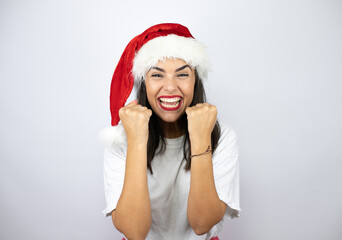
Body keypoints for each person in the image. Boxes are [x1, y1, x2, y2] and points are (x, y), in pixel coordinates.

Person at [100, 23, 240, 240]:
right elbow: (134, 232)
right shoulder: (122, 138)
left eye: (182, 75)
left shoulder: (222, 136)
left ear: (196, 81)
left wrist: (201, 137)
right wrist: (137, 140)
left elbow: (202, 224)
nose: (170, 87)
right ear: (144, 82)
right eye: (157, 75)